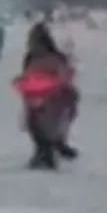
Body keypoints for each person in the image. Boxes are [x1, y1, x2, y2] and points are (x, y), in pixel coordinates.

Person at [15, 22, 79, 170]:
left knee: (51, 123)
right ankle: (43, 151)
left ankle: (52, 148)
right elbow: (28, 76)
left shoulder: (55, 57)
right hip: (36, 97)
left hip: (54, 97)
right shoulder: (30, 58)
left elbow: (65, 75)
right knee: (36, 124)